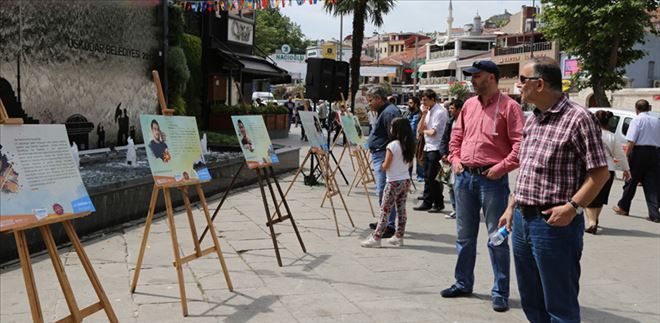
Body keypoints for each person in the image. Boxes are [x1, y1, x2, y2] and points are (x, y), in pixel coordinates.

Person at [498, 57, 609, 322]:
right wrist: (512, 205)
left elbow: (600, 173)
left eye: (522, 80)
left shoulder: (578, 118)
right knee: (531, 299)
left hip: (554, 224)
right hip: (523, 222)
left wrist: (573, 208)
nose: (518, 86)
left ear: (539, 84)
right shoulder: (533, 120)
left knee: (559, 303)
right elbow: (528, 169)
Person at [442, 60, 525, 313]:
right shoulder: (468, 105)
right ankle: (462, 282)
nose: (472, 80)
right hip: (464, 177)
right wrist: (455, 159)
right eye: (471, 76)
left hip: (492, 180)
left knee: (496, 237)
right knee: (464, 236)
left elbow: (521, 145)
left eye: (476, 76)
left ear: (491, 77)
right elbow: (456, 137)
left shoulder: (510, 107)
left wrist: (500, 168)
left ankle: (500, 291)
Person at [362, 118, 415, 247]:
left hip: (393, 181)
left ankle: (376, 237)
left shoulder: (392, 145)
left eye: (392, 126)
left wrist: (382, 166)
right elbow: (409, 164)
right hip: (405, 179)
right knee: (401, 209)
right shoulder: (409, 144)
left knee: (385, 210)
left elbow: (386, 164)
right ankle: (399, 235)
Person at [613, 99, 660, 222]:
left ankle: (623, 207)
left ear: (636, 109)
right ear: (649, 108)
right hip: (655, 153)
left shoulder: (637, 120)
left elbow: (631, 141)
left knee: (631, 180)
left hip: (639, 153)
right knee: (652, 184)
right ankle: (654, 213)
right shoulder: (657, 121)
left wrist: (625, 158)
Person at [585, 110, 631, 234]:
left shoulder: (589, 134)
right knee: (601, 197)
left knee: (588, 197)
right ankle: (595, 219)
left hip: (591, 168)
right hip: (608, 169)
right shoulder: (612, 136)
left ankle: (591, 222)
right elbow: (620, 155)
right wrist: (626, 169)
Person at [366, 86, 402, 238]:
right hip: (380, 153)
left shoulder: (389, 112)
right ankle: (384, 220)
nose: (369, 103)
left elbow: (394, 137)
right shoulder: (385, 111)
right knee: (384, 191)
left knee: (384, 191)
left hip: (384, 154)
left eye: (370, 100)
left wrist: (389, 158)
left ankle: (389, 224)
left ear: (379, 99)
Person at [413, 89, 448, 213]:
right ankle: (428, 201)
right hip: (427, 146)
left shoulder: (440, 112)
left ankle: (438, 202)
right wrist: (423, 115)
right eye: (422, 100)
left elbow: (433, 132)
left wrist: (423, 131)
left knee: (432, 177)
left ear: (433, 99)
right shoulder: (427, 111)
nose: (423, 102)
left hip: (436, 147)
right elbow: (419, 128)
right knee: (428, 177)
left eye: (425, 100)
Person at [439, 99, 464, 219]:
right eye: (449, 108)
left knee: (457, 186)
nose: (450, 110)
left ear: (460, 109)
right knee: (450, 186)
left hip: (460, 159)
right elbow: (444, 138)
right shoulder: (450, 122)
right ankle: (455, 209)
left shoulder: (465, 122)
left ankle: (461, 211)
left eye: (452, 108)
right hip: (449, 157)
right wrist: (443, 153)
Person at [403, 97, 424, 182]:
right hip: (407, 139)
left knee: (419, 158)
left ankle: (421, 175)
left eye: (411, 103)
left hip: (417, 140)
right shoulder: (406, 113)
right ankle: (408, 175)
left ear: (416, 104)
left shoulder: (420, 114)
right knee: (409, 158)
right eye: (408, 102)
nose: (409, 104)